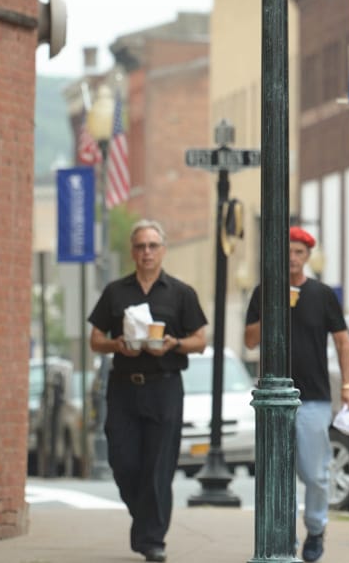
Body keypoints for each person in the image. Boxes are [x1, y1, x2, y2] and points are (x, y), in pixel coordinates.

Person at [89, 219, 207, 563]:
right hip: (124, 387)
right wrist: (116, 345)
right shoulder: (116, 292)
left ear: (163, 250)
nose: (146, 252)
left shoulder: (180, 293)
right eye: (140, 246)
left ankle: (153, 540)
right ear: (132, 251)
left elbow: (200, 340)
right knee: (123, 461)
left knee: (158, 467)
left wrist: (173, 344)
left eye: (153, 246)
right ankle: (144, 518)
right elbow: (95, 339)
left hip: (164, 387)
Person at [244, 226, 349, 563]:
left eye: (299, 252)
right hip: (271, 402)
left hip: (313, 396)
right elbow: (251, 341)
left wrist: (348, 386)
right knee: (276, 474)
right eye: (288, 252)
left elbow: (343, 341)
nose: (293, 259)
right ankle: (282, 537)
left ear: (308, 256)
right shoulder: (264, 293)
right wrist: (273, 308)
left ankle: (316, 528)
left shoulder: (322, 295)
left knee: (315, 473)